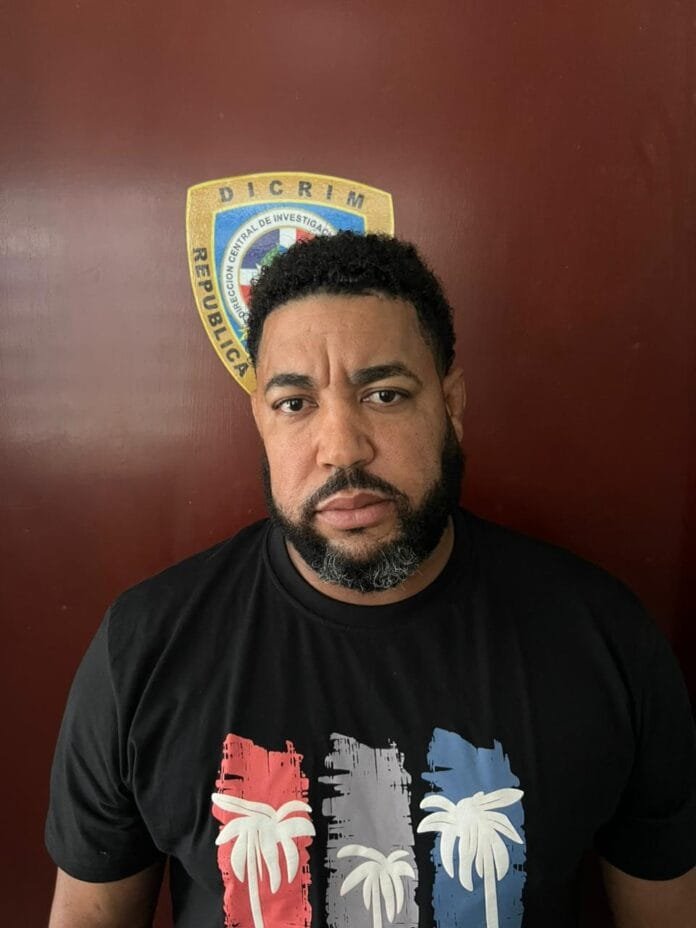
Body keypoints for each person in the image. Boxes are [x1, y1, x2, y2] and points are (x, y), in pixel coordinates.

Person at [46, 232, 695, 928]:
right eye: (294, 403)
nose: (342, 449)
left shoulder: (602, 641)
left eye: (385, 394)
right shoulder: (145, 649)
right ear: (261, 419)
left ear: (451, 404)